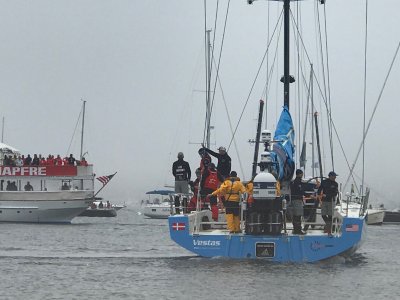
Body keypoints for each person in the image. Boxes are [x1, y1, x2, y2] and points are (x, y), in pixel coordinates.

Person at [290, 169, 305, 234]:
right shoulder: (298, 181)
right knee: (298, 215)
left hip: (293, 200)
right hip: (297, 200)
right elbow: (300, 191)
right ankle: (298, 230)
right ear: (300, 174)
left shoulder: (292, 182)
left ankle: (295, 229)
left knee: (295, 215)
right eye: (302, 173)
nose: (302, 175)